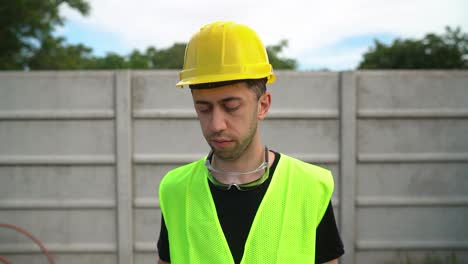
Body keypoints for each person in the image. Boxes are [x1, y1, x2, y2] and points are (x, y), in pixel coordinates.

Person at [157, 21, 344, 264]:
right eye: (203, 108)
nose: (216, 125)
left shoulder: (309, 187)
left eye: (231, 107)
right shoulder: (175, 190)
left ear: (263, 105)